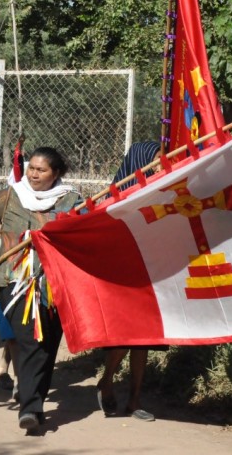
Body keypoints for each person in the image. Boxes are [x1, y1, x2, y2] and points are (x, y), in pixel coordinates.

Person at [0, 147, 80, 432]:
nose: (33, 174)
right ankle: (30, 407)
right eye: (31, 167)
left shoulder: (72, 200)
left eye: (41, 170)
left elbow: (83, 235)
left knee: (49, 343)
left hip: (56, 284)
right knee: (30, 339)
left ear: (55, 174)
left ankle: (36, 399)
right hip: (15, 282)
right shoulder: (10, 196)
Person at [96, 141, 161, 422]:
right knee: (125, 335)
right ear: (140, 161)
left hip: (155, 271)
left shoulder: (165, 189)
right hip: (123, 274)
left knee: (145, 338)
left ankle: (135, 400)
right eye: (156, 160)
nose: (160, 165)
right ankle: (107, 380)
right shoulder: (116, 199)